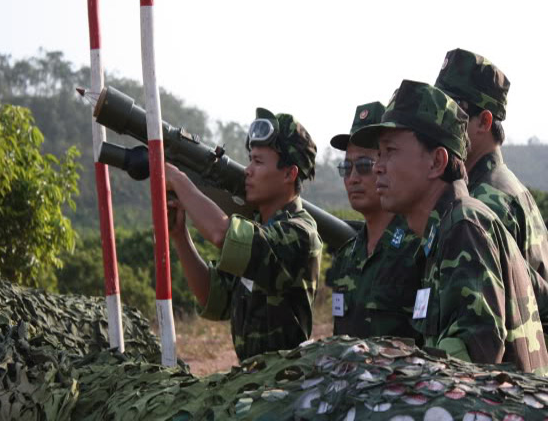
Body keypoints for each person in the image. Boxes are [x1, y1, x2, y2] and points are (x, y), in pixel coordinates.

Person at [351, 79, 548, 374]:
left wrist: (396, 377)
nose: (378, 166)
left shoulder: (464, 225)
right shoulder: (442, 230)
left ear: (436, 162)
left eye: (390, 151)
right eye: (378, 154)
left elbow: (476, 352)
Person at [165, 107, 322, 361]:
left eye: (258, 162)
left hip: (284, 384)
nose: (248, 170)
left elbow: (221, 234)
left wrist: (179, 180)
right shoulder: (261, 227)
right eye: (250, 159)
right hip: (252, 380)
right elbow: (214, 297)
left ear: (289, 174)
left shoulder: (299, 234)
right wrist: (180, 236)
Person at [435, 48, 548, 282]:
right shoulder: (494, 186)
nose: (439, 119)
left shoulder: (487, 200)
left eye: (451, 107)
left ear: (484, 122)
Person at [325, 102, 421, 340]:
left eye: (364, 166)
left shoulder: (418, 247)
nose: (353, 178)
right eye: (346, 168)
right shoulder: (347, 256)